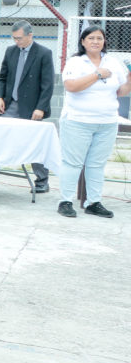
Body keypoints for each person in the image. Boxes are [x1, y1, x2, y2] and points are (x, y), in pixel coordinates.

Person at [0, 20, 54, 192]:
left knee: (36, 142)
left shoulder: (43, 53)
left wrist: (41, 107)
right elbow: (3, 78)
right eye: (14, 38)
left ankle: (42, 181)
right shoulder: (11, 51)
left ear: (30, 35)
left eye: (19, 38)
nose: (16, 42)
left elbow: (47, 84)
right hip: (11, 105)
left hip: (32, 108)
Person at [56, 25, 131, 218]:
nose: (96, 42)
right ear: (83, 42)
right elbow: (71, 86)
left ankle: (93, 202)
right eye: (91, 38)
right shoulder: (75, 62)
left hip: (107, 122)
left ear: (104, 41)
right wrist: (97, 74)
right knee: (72, 163)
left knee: (96, 164)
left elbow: (121, 92)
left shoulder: (113, 62)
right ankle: (65, 201)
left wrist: (129, 80)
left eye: (99, 38)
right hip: (77, 121)